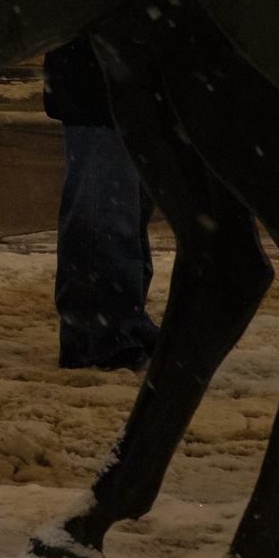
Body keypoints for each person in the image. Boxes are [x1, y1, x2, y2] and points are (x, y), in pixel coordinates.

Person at [44, 37, 161, 370]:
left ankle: (120, 321)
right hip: (101, 85)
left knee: (123, 218)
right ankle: (96, 335)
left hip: (121, 83)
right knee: (104, 216)